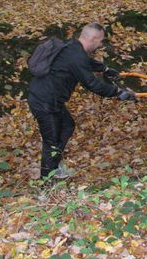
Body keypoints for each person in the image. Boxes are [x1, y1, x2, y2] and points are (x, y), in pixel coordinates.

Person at [28, 23, 135, 179]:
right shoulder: (75, 55)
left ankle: (54, 167)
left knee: (67, 125)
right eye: (100, 41)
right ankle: (46, 185)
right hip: (44, 102)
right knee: (51, 142)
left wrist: (104, 69)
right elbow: (91, 83)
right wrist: (117, 92)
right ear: (93, 38)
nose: (101, 44)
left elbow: (85, 63)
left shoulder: (73, 46)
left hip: (50, 99)